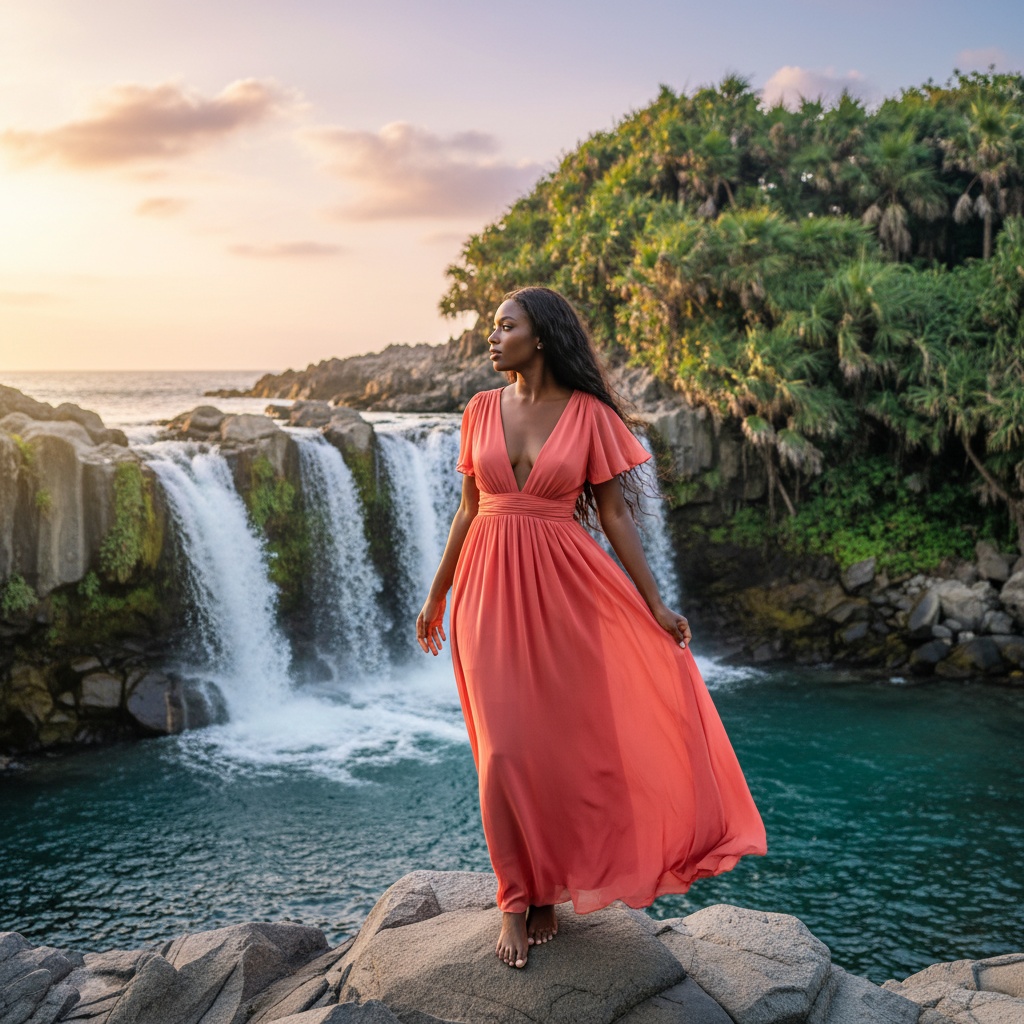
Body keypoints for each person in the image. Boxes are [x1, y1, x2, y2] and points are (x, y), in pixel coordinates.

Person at [417, 286, 766, 969]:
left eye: (504, 326)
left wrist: (656, 606)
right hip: (486, 590)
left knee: (563, 748)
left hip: (566, 591)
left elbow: (614, 518)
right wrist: (436, 595)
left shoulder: (590, 415)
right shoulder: (479, 409)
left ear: (540, 335)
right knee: (504, 752)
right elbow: (467, 510)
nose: (491, 338)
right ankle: (514, 897)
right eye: (490, 328)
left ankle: (549, 887)